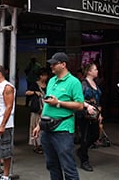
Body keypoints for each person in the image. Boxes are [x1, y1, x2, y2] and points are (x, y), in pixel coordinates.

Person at [32, 52, 84, 180]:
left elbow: (80, 105)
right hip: (47, 128)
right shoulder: (51, 81)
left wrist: (59, 103)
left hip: (63, 130)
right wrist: (39, 125)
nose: (51, 66)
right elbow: (46, 105)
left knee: (68, 166)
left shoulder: (74, 82)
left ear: (63, 65)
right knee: (52, 165)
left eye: (54, 64)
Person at [76, 63, 102, 172]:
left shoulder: (95, 83)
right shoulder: (83, 84)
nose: (97, 71)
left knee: (95, 135)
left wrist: (100, 114)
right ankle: (84, 160)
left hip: (94, 114)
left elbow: (98, 100)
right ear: (89, 71)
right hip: (85, 114)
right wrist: (87, 107)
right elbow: (78, 98)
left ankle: (82, 150)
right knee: (85, 136)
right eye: (95, 69)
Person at [25, 68, 48, 154]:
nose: (45, 77)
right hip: (37, 109)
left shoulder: (48, 85)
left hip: (45, 109)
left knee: (43, 127)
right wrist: (35, 92)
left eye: (46, 75)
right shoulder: (35, 84)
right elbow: (27, 92)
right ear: (40, 76)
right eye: (43, 75)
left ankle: (42, 144)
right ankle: (36, 145)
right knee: (35, 126)